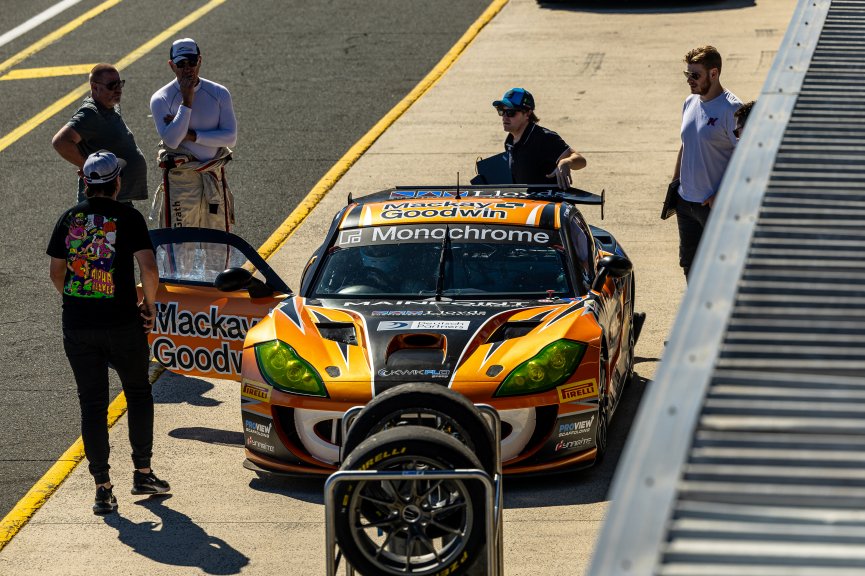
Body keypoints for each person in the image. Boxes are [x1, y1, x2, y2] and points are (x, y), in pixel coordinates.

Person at [47, 151, 170, 515]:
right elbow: (148, 269)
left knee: (92, 404)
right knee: (137, 392)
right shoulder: (128, 217)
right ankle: (143, 472)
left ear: (86, 182)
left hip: (79, 326)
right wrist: (149, 305)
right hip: (121, 325)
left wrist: (78, 298)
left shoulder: (69, 218)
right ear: (117, 182)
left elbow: (57, 273)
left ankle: (103, 488)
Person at [149, 38, 237, 230]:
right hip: (181, 181)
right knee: (181, 245)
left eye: (192, 62)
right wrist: (187, 101)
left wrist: (190, 135)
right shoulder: (161, 98)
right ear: (172, 66)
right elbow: (172, 141)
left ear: (200, 60)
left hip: (212, 176)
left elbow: (230, 137)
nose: (187, 68)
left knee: (217, 244)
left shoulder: (219, 93)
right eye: (181, 64)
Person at [671, 46, 741, 280]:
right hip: (685, 202)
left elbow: (744, 156)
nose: (689, 81)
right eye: (687, 74)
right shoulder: (690, 102)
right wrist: (675, 186)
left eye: (695, 75)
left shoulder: (731, 109)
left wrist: (721, 194)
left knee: (720, 268)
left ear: (714, 73)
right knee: (689, 266)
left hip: (712, 206)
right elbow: (686, 144)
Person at [52, 64, 148, 205]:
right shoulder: (91, 113)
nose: (118, 90)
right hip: (103, 197)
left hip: (115, 195)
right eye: (112, 85)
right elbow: (60, 142)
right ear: (95, 87)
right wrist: (87, 166)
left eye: (119, 84)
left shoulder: (110, 106)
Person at [493, 88, 586, 189]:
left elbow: (581, 160)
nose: (504, 117)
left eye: (511, 112)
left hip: (549, 203)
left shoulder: (544, 138)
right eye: (502, 111)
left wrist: (566, 162)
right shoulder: (510, 141)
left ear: (528, 113)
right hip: (525, 203)